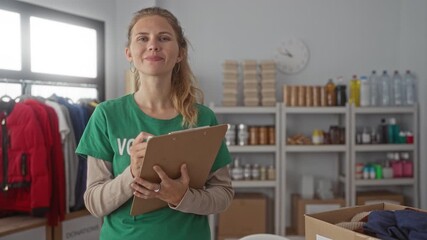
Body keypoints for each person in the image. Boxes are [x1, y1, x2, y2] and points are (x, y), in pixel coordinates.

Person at [76, 7, 234, 240]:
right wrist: (132, 173)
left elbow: (223, 195)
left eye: (164, 38)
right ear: (129, 53)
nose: (153, 45)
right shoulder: (107, 115)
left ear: (180, 52)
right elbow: (94, 203)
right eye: (143, 38)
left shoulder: (203, 118)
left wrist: (181, 197)